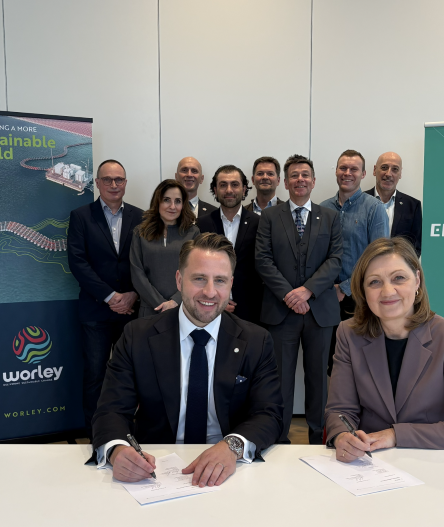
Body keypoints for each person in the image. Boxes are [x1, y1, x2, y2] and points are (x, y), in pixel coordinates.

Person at [93, 233, 284, 486]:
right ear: (179, 280)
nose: (210, 291)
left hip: (230, 470)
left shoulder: (256, 340)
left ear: (231, 284)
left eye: (220, 280)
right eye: (199, 279)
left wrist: (231, 446)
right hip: (154, 470)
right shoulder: (137, 336)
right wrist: (118, 450)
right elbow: (112, 410)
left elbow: (269, 414)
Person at [325, 237, 444, 459]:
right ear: (362, 291)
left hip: (432, 462)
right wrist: (342, 435)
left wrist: (395, 435)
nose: (388, 291)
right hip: (371, 465)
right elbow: (340, 411)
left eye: (398, 278)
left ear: (417, 280)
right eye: (374, 282)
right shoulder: (348, 333)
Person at [255, 154, 342, 444]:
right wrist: (289, 295)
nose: (300, 179)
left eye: (305, 175)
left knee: (319, 380)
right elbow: (263, 260)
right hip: (280, 312)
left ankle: (319, 437)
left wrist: (307, 291)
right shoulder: (269, 216)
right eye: (294, 175)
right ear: (286, 181)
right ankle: (279, 438)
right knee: (280, 381)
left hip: (320, 311)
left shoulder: (330, 216)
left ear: (314, 181)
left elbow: (336, 259)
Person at [67, 159, 143, 437]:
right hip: (97, 311)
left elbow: (143, 263)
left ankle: (128, 431)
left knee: (133, 375)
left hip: (133, 312)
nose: (114, 185)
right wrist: (111, 297)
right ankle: (96, 435)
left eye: (119, 180)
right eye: (108, 180)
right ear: (97, 183)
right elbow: (78, 263)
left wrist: (134, 295)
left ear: (125, 183)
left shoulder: (142, 216)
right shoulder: (81, 216)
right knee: (95, 376)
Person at [321, 149, 389, 376]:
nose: (347, 173)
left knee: (361, 362)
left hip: (360, 298)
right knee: (331, 361)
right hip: (324, 298)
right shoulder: (322, 208)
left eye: (353, 169)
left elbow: (379, 257)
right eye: (343, 168)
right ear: (336, 171)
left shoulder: (374, 208)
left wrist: (346, 287)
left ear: (363, 174)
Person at [196, 165, 263, 324]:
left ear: (244, 188)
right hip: (210, 305)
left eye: (234, 184)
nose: (229, 190)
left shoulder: (259, 223)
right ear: (215, 189)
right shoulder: (201, 224)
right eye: (223, 184)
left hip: (250, 309)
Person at [130, 179, 199, 317]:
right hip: (150, 309)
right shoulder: (140, 232)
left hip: (183, 308)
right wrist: (160, 304)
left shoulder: (193, 233)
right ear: (158, 202)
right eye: (166, 200)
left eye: (178, 201)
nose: (172, 206)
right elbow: (137, 272)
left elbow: (197, 272)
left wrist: (175, 301)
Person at [366, 152, 422, 256]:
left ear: (400, 173)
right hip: (365, 269)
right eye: (384, 167)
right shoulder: (359, 202)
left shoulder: (413, 206)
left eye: (395, 169)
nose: (388, 174)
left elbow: (416, 248)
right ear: (374, 170)